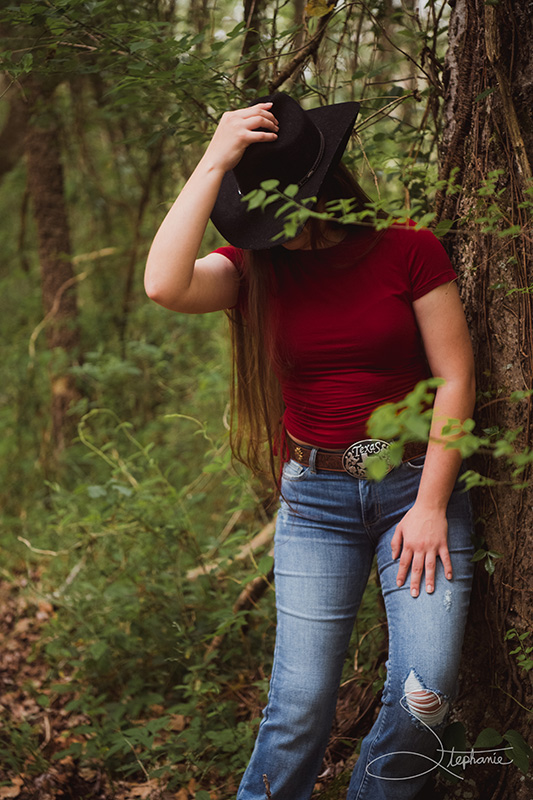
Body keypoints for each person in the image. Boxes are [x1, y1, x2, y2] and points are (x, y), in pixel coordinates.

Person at [145, 92, 475, 800]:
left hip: (413, 491)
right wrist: (213, 161)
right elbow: (163, 285)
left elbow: (453, 378)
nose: (268, 233)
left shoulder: (407, 249)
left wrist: (428, 505)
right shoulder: (253, 271)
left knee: (425, 693)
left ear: (321, 189)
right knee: (297, 710)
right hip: (316, 501)